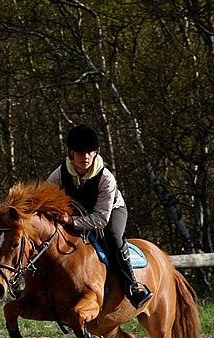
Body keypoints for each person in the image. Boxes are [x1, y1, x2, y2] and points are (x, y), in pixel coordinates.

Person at [47, 124, 153, 309]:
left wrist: (71, 221)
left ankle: (133, 286)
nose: (85, 157)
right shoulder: (59, 174)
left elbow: (101, 219)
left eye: (89, 152)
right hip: (79, 212)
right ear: (71, 153)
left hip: (110, 212)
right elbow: (44, 197)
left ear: (96, 152)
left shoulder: (106, 178)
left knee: (112, 236)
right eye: (80, 152)